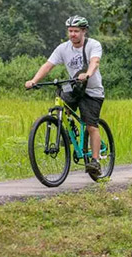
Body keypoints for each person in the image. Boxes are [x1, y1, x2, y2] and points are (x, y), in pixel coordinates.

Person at [25, 15, 105, 177]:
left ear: (83, 31)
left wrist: (87, 75)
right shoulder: (63, 48)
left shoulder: (93, 45)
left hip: (92, 91)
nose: (72, 34)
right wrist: (34, 80)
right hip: (75, 87)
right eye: (70, 31)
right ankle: (69, 130)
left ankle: (95, 161)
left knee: (91, 126)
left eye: (76, 31)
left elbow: (94, 62)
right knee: (62, 97)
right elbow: (48, 65)